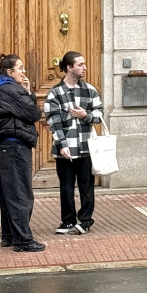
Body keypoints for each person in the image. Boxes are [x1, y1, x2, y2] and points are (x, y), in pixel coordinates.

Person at [0, 54, 46, 252]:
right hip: (14, 145)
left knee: (9, 193)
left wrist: (27, 92)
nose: (24, 72)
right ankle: (22, 240)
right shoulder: (11, 89)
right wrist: (27, 93)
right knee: (21, 193)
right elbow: (34, 113)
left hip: (6, 145)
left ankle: (9, 236)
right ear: (9, 72)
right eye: (20, 68)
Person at [44, 51, 103, 235]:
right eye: (80, 64)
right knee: (66, 187)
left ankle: (85, 220)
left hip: (86, 147)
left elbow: (100, 115)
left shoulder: (90, 90)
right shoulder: (55, 93)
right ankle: (67, 221)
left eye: (84, 64)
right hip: (66, 149)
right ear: (69, 67)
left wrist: (86, 115)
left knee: (87, 187)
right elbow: (53, 122)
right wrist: (62, 145)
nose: (84, 67)